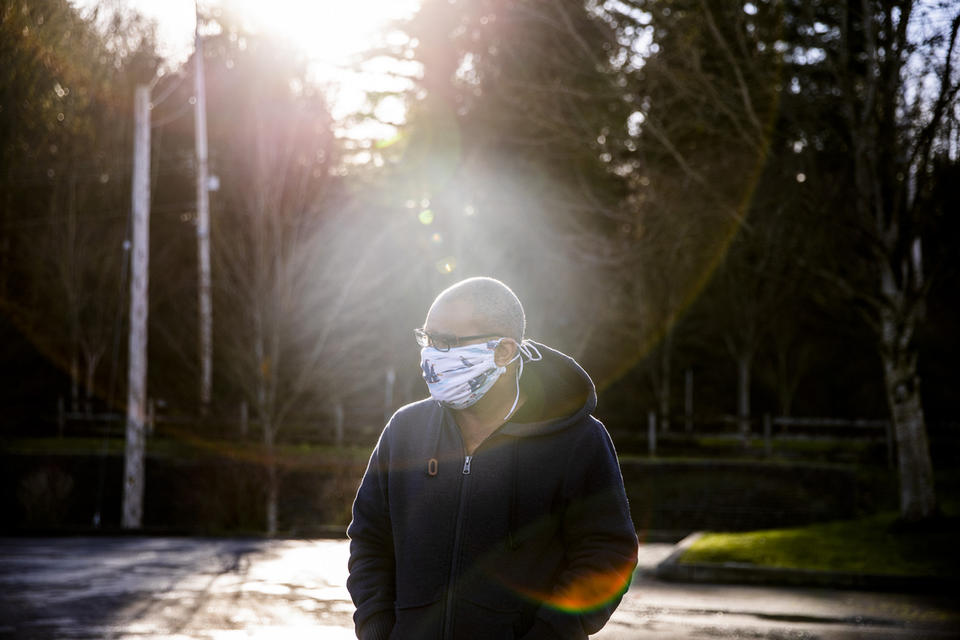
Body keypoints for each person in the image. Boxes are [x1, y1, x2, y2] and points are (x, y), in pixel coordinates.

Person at [347, 277, 638, 640]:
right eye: (427, 339)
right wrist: (376, 628)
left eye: (447, 342)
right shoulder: (405, 430)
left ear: (503, 351)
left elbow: (608, 554)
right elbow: (370, 538)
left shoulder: (578, 439)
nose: (431, 355)